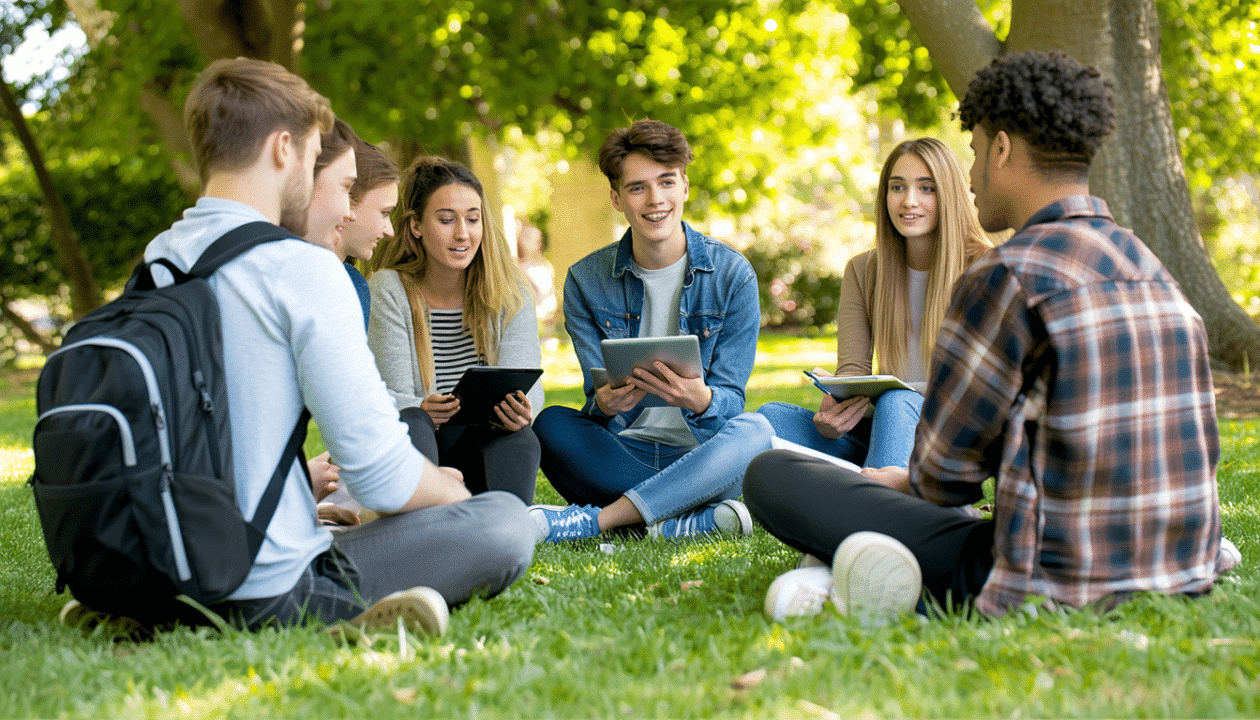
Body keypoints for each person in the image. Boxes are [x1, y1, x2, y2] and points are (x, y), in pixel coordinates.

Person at [745, 51, 1224, 622]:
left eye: (973, 153)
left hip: (1046, 573)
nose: (971, 179)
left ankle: (850, 580)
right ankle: (861, 576)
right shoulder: (1149, 267)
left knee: (771, 475)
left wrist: (897, 481)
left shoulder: (1006, 273)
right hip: (1182, 563)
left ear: (1001, 148)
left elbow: (945, 481)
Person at [131, 58, 534, 633]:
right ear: (282, 149)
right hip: (256, 579)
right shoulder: (302, 268)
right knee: (504, 522)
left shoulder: (160, 256)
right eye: (345, 185)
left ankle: (155, 606)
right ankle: (319, 608)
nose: (347, 207)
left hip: (158, 558)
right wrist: (447, 487)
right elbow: (380, 475)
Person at [530, 119, 773, 542]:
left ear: (684, 187)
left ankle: (601, 521)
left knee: (757, 431)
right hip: (625, 453)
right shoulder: (586, 280)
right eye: (638, 187)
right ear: (617, 199)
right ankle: (685, 520)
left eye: (666, 182)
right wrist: (605, 406)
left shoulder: (734, 276)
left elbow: (731, 403)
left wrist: (702, 400)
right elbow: (597, 398)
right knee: (550, 425)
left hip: (704, 453)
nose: (655, 200)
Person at [757, 138, 991, 470]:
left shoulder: (985, 267)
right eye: (898, 187)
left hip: (956, 437)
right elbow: (853, 371)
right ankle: (873, 481)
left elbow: (982, 383)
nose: (909, 201)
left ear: (948, 194)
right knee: (770, 418)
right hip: (886, 427)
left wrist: (896, 393)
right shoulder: (864, 270)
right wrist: (836, 409)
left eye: (927, 189)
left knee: (897, 401)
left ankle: (881, 509)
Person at [367, 156, 543, 505]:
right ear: (416, 225)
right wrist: (421, 406)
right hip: (420, 450)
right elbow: (389, 397)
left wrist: (522, 411)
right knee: (413, 420)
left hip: (481, 446)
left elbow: (530, 390)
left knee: (520, 437)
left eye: (473, 219)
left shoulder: (512, 292)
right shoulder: (390, 289)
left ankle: (506, 524)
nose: (462, 233)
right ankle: (427, 518)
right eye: (446, 220)